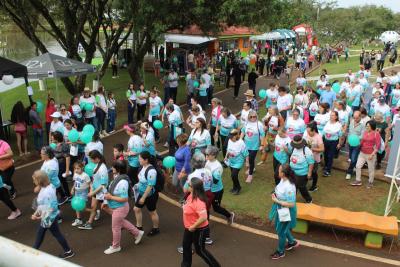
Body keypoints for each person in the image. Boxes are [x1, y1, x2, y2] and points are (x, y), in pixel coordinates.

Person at [102, 160, 144, 254]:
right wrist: (107, 200)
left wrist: (110, 197)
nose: (112, 168)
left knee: (115, 228)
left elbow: (124, 199)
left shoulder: (123, 182)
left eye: (114, 167)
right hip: (117, 207)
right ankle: (137, 233)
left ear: (118, 169)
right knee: (121, 222)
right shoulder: (117, 177)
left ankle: (116, 246)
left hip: (120, 208)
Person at [31, 170, 74, 259]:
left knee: (50, 233)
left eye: (34, 180)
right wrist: (37, 213)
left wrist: (38, 216)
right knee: (42, 233)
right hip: (49, 216)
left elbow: (51, 208)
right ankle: (33, 250)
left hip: (49, 217)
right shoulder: (48, 186)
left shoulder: (47, 192)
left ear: (39, 181)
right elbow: (44, 206)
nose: (33, 182)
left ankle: (68, 251)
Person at [181, 177, 221, 267]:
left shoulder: (199, 202)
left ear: (194, 188)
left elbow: (203, 217)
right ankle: (185, 265)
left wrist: (193, 226)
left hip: (199, 229)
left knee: (200, 250)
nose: (187, 185)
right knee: (186, 246)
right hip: (189, 227)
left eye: (189, 185)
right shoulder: (190, 195)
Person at [268, 164, 299, 260]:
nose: (277, 171)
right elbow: (279, 190)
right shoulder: (283, 179)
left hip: (286, 211)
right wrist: (274, 193)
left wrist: (277, 201)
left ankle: (280, 252)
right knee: (282, 228)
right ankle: (291, 242)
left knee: (281, 231)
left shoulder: (289, 187)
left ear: (284, 174)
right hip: (280, 208)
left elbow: (291, 204)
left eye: (279, 170)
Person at [79, 150, 108, 230]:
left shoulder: (102, 168)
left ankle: (119, 218)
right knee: (93, 207)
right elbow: (94, 179)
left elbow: (103, 185)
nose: (91, 161)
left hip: (101, 192)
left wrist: (92, 193)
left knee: (106, 208)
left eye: (92, 159)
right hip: (96, 191)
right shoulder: (96, 165)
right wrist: (92, 189)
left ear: (97, 158)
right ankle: (89, 223)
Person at [205, 146, 235, 224]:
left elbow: (215, 181)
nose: (206, 156)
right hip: (208, 189)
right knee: (205, 206)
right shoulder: (208, 161)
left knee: (216, 208)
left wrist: (205, 176)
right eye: (206, 154)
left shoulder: (217, 167)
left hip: (216, 191)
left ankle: (230, 215)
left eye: (208, 155)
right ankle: (205, 224)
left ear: (214, 155)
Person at [134, 151, 160, 236]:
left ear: (146, 160)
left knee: (152, 212)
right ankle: (139, 227)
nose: (139, 160)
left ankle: (156, 229)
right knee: (136, 209)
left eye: (140, 159)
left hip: (149, 195)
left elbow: (150, 186)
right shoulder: (142, 167)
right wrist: (136, 186)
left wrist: (143, 197)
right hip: (142, 193)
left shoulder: (151, 171)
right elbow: (141, 181)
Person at [351, 120, 381, 188]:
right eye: (366, 126)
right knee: (358, 166)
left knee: (371, 169)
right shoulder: (365, 132)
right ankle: (358, 180)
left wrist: (372, 154)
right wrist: (357, 144)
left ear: (372, 127)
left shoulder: (376, 134)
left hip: (370, 155)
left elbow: (378, 146)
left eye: (368, 126)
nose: (366, 127)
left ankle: (370, 182)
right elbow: (362, 142)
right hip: (362, 153)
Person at [240, 110, 264, 183]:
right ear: (249, 117)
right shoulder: (246, 123)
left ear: (256, 116)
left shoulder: (259, 124)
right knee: (247, 158)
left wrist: (262, 144)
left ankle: (250, 175)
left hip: (255, 146)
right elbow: (243, 131)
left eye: (254, 116)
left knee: (250, 158)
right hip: (246, 144)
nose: (253, 118)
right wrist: (240, 140)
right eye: (251, 117)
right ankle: (252, 168)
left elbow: (262, 135)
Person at [289, 135, 314, 203]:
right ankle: (291, 200)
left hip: (302, 174)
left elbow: (311, 163)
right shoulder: (293, 148)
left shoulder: (307, 151)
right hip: (292, 172)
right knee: (293, 186)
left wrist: (309, 173)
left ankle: (309, 199)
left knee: (301, 187)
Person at [225, 129, 249, 195]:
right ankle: (234, 187)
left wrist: (247, 162)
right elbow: (228, 149)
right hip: (231, 161)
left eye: (231, 137)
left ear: (235, 136)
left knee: (234, 175)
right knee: (233, 175)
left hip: (238, 162)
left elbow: (246, 153)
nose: (230, 138)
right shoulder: (230, 140)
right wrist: (226, 157)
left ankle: (238, 187)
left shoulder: (241, 143)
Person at [303, 122, 324, 191]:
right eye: (307, 131)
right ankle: (304, 184)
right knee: (306, 170)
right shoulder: (306, 134)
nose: (308, 133)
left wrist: (312, 149)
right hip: (306, 158)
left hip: (315, 158)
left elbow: (322, 149)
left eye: (309, 132)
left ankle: (314, 186)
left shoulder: (318, 137)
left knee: (314, 172)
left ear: (314, 130)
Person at [51, 131, 71, 200]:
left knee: (60, 180)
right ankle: (67, 195)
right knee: (62, 180)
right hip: (57, 165)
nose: (51, 138)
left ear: (57, 138)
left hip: (62, 165)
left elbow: (67, 157)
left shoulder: (64, 146)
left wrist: (67, 170)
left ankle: (65, 196)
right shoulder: (55, 145)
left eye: (53, 138)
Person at [321, 111, 343, 177]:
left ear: (336, 117)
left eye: (333, 115)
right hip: (326, 141)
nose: (331, 116)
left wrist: (339, 143)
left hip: (333, 142)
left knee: (330, 156)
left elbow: (340, 135)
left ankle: (328, 170)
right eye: (331, 115)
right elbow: (323, 132)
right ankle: (326, 166)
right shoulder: (328, 123)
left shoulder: (338, 125)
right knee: (325, 155)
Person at [70, 161, 91, 227]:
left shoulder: (85, 175)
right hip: (77, 191)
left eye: (78, 168)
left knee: (82, 207)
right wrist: (73, 188)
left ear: (82, 168)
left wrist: (91, 191)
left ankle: (93, 212)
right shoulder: (75, 174)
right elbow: (75, 182)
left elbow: (90, 184)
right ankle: (79, 219)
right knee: (76, 205)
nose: (76, 170)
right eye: (75, 168)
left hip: (83, 192)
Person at [345, 111, 365, 180]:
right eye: (354, 118)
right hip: (350, 143)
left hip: (357, 144)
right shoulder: (351, 121)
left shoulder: (363, 124)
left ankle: (349, 172)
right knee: (351, 157)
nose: (355, 119)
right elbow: (350, 132)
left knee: (353, 159)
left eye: (356, 118)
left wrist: (355, 138)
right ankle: (353, 167)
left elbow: (362, 135)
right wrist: (348, 139)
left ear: (360, 117)